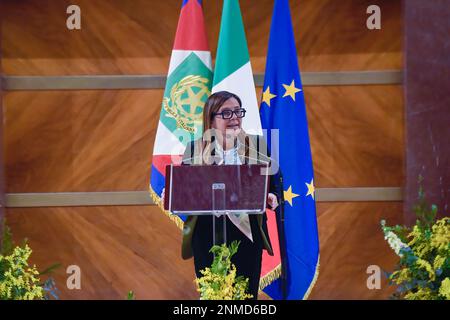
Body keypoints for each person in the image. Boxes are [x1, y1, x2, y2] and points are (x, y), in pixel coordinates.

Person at [163, 91, 280, 299]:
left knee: (245, 296)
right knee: (213, 294)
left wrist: (271, 195)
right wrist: (173, 194)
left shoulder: (257, 145)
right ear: (211, 118)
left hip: (247, 235)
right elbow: (187, 190)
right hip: (207, 235)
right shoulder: (196, 148)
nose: (234, 118)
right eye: (226, 113)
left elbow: (273, 180)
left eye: (238, 111)